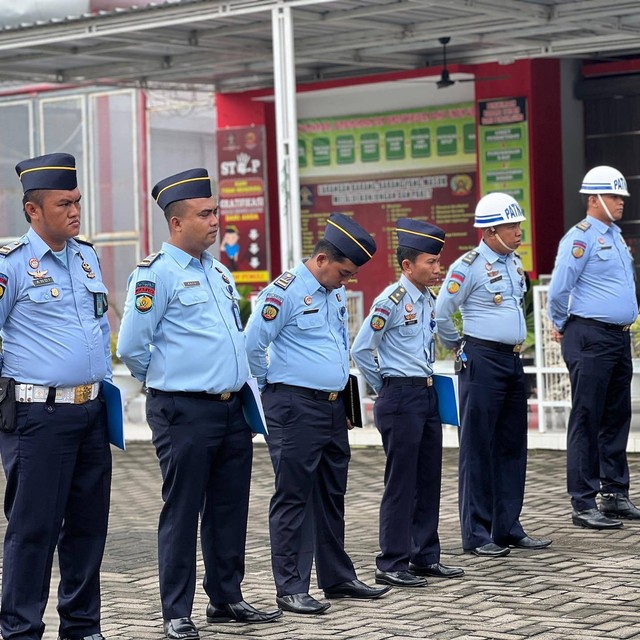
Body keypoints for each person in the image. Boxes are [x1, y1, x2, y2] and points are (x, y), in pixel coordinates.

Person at [117, 169, 281, 640]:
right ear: (176, 223)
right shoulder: (156, 274)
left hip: (231, 411)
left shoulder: (218, 270)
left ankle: (226, 598)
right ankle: (176, 611)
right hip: (184, 412)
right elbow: (132, 347)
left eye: (216, 212)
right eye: (205, 214)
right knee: (183, 509)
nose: (215, 221)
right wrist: (169, 384)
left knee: (229, 507)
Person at [245, 213, 390, 615]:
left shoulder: (334, 293)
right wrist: (272, 391)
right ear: (323, 259)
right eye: (343, 272)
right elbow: (253, 345)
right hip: (293, 406)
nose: (346, 281)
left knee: (331, 494)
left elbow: (337, 347)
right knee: (293, 496)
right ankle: (291, 586)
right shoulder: (284, 292)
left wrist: (341, 398)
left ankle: (337, 577)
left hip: (330, 407)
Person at [0, 153, 112, 640]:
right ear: (32, 211)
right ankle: (21, 629)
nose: (75, 211)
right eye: (64, 203)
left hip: (90, 411)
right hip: (38, 416)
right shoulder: (12, 267)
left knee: (88, 528)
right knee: (33, 532)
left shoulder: (86, 255)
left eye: (78, 202)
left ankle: (83, 626)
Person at [435, 192, 552, 557]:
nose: (519, 232)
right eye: (512, 226)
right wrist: (459, 346)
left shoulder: (514, 264)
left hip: (513, 361)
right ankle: (478, 533)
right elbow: (442, 312)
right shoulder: (467, 266)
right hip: (482, 360)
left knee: (512, 446)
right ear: (489, 231)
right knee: (478, 447)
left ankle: (508, 526)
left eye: (519, 225)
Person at [351, 218, 464, 588]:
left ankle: (425, 556)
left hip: (427, 394)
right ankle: (392, 561)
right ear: (407, 266)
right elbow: (361, 349)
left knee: (428, 477)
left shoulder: (426, 299)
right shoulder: (392, 301)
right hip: (400, 396)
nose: (437, 268)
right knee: (401, 482)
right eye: (430, 262)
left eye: (438, 261)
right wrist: (385, 384)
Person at [547, 166, 640, 530]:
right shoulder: (580, 237)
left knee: (617, 416)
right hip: (589, 335)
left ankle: (615, 493)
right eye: (615, 197)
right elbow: (559, 290)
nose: (621, 203)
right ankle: (583, 501)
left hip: (617, 337)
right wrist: (560, 324)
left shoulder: (616, 236)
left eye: (621, 197)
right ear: (594, 199)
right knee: (587, 418)